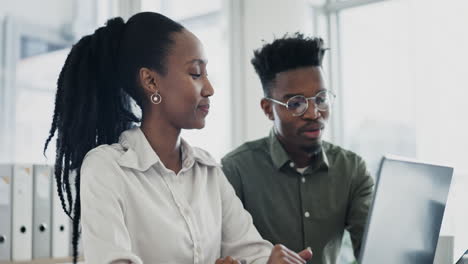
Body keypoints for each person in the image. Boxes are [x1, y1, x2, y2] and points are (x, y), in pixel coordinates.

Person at [43, 12, 313, 264]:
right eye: (195, 73)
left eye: (206, 75)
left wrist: (272, 260)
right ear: (151, 82)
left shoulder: (208, 171)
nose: (209, 88)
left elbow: (251, 251)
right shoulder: (107, 168)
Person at [221, 33, 374, 264]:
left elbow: (373, 249)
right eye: (296, 104)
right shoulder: (235, 171)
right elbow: (222, 254)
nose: (314, 114)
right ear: (268, 109)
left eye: (321, 99)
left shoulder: (352, 169)